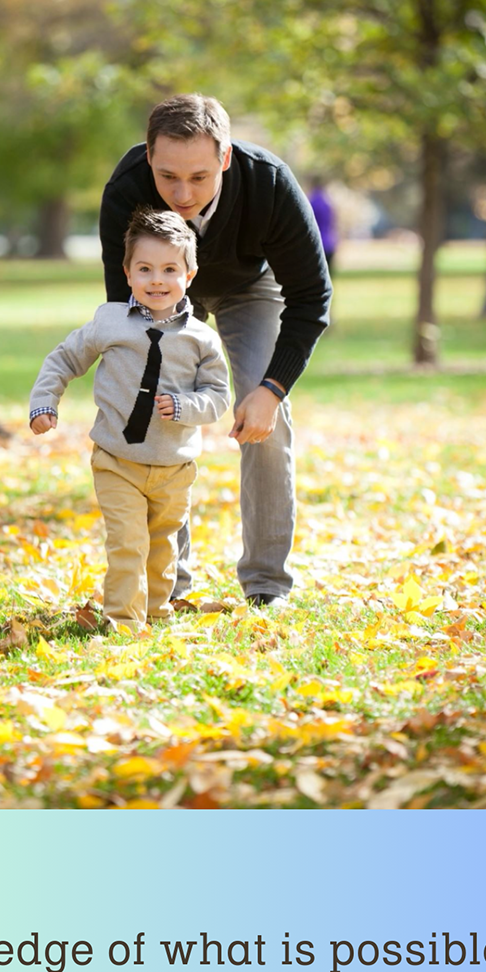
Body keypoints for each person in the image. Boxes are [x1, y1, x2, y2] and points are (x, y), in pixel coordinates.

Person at [100, 94, 332, 609]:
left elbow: (312, 297)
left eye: (200, 178)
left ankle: (267, 583)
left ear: (225, 157)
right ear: (149, 157)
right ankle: (170, 584)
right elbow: (126, 304)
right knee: (159, 411)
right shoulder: (126, 188)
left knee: (263, 413)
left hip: (248, 285)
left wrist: (272, 389)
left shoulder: (269, 182)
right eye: (168, 177)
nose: (182, 194)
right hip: (163, 291)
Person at [29, 206, 230, 626]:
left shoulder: (202, 340)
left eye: (170, 269)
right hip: (117, 460)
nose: (157, 279)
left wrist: (185, 407)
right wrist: (44, 402)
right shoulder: (109, 322)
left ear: (189, 275)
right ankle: (122, 621)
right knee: (128, 542)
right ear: (127, 273)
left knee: (163, 545)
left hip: (174, 466)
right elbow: (64, 359)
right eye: (145, 269)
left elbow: (217, 397)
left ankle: (156, 613)